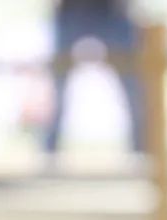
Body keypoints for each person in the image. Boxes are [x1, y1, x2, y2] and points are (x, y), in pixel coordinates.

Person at [45, 0, 144, 155]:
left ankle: (144, 151)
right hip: (71, 11)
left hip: (110, 11)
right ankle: (48, 153)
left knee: (135, 90)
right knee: (56, 91)